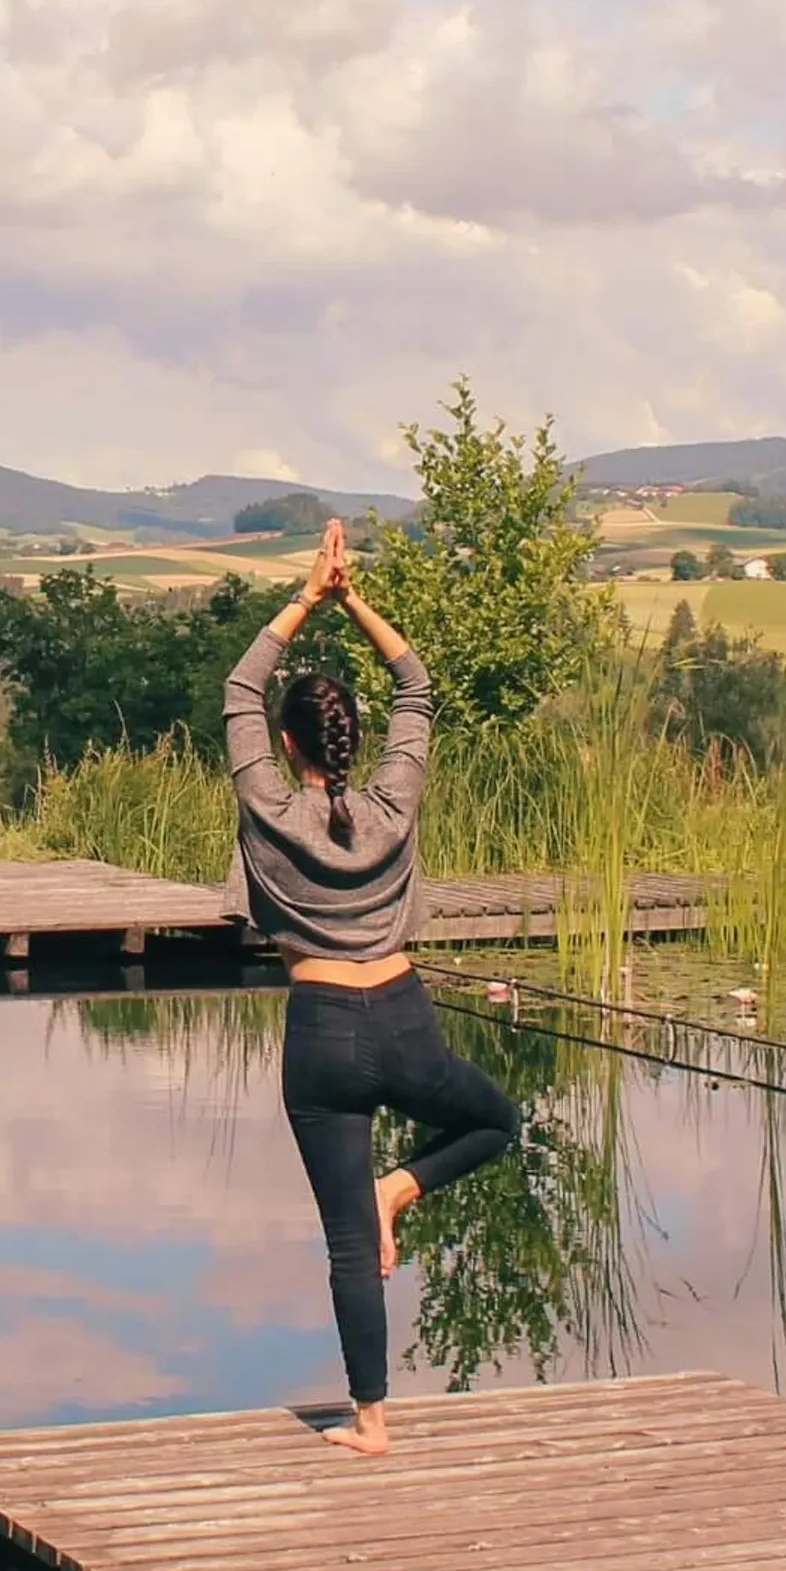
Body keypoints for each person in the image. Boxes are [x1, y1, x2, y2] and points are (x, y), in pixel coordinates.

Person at [225, 517, 518, 1456]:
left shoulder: (269, 806)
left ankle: (372, 1421)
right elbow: (417, 685)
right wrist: (355, 603)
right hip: (402, 1017)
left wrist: (307, 596)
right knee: (496, 1121)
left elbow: (239, 683)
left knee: (349, 1241)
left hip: (319, 1033)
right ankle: (405, 1186)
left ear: (283, 742)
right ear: (350, 742)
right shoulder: (394, 799)